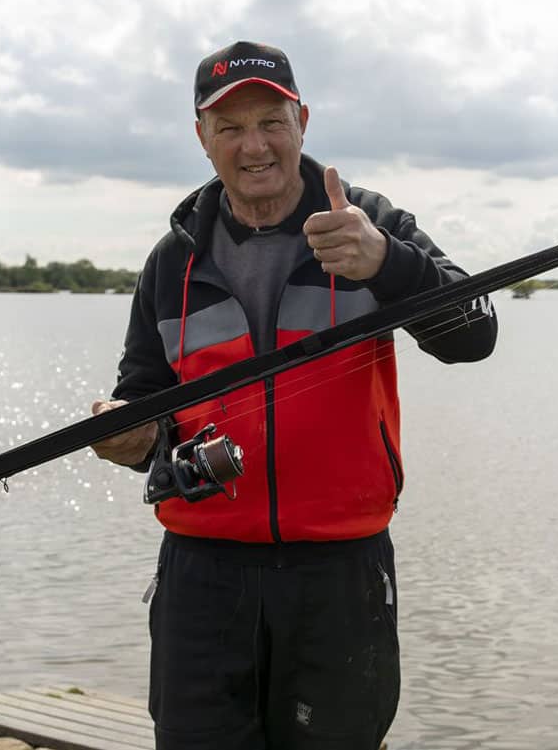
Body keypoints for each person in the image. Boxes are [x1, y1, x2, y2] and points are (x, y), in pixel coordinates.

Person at [90, 40, 498, 750]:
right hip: (202, 580)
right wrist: (127, 440)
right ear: (201, 138)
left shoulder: (367, 220)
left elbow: (474, 333)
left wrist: (387, 264)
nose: (254, 146)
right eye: (230, 127)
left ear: (302, 120)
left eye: (271, 121)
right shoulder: (172, 258)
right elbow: (145, 404)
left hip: (340, 575)